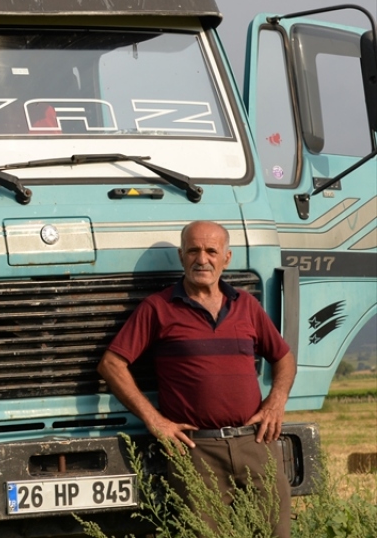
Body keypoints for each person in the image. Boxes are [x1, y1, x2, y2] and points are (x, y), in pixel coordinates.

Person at [98, 220, 296, 538]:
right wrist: (154, 420)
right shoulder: (158, 308)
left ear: (226, 258)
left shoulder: (247, 305)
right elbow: (111, 364)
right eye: (193, 250)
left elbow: (283, 357)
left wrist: (277, 399)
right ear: (181, 256)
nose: (201, 259)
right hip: (195, 451)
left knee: (276, 533)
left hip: (256, 442)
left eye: (211, 251)